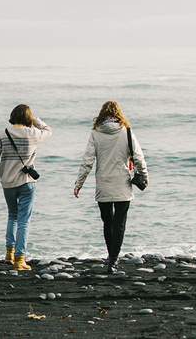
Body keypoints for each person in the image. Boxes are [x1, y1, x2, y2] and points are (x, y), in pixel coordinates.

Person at [73, 101, 148, 273]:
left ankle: (111, 256)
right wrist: (144, 176)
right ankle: (113, 260)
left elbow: (87, 161)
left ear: (102, 115)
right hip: (122, 184)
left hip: (103, 184)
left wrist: (79, 184)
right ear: (118, 114)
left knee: (107, 222)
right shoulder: (126, 131)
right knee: (119, 224)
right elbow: (138, 157)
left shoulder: (95, 134)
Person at [0, 104, 52, 271]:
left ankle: (9, 254)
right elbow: (48, 130)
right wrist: (35, 120)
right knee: (24, 221)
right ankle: (20, 260)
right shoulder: (33, 133)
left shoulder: (3, 134)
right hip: (27, 182)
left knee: (12, 216)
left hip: (7, 183)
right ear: (28, 118)